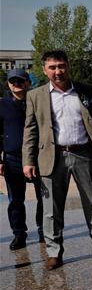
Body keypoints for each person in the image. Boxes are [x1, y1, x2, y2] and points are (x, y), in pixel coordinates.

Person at [22, 50, 92, 269]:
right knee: (51, 208)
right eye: (52, 67)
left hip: (83, 153)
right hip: (51, 157)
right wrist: (28, 160)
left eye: (61, 66)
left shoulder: (84, 91)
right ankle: (54, 252)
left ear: (68, 66)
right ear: (44, 70)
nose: (58, 71)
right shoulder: (35, 96)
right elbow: (30, 130)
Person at [1, 69, 43, 249]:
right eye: (12, 81)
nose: (16, 84)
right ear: (8, 84)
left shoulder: (39, 102)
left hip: (40, 157)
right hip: (13, 159)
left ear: (28, 83)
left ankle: (44, 231)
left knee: (45, 198)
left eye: (20, 81)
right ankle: (19, 234)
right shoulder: (2, 104)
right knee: (15, 200)